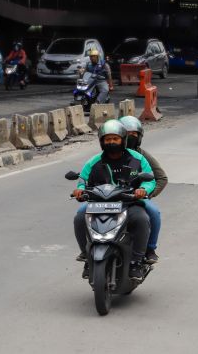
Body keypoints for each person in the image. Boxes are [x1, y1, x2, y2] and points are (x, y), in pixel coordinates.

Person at [72, 120, 155, 280]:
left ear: (123, 140)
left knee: (142, 218)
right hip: (99, 204)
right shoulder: (93, 161)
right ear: (102, 141)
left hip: (128, 203)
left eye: (115, 139)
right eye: (107, 139)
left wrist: (143, 190)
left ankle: (137, 261)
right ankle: (86, 256)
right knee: (79, 218)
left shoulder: (137, 159)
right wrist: (80, 191)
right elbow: (82, 181)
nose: (111, 142)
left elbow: (150, 180)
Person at [119, 116, 167, 264]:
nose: (130, 138)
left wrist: (146, 193)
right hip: (109, 196)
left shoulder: (141, 156)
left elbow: (161, 178)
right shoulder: (107, 153)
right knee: (84, 214)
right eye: (127, 134)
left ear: (139, 137)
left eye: (134, 135)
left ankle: (150, 249)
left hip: (135, 197)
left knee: (153, 212)